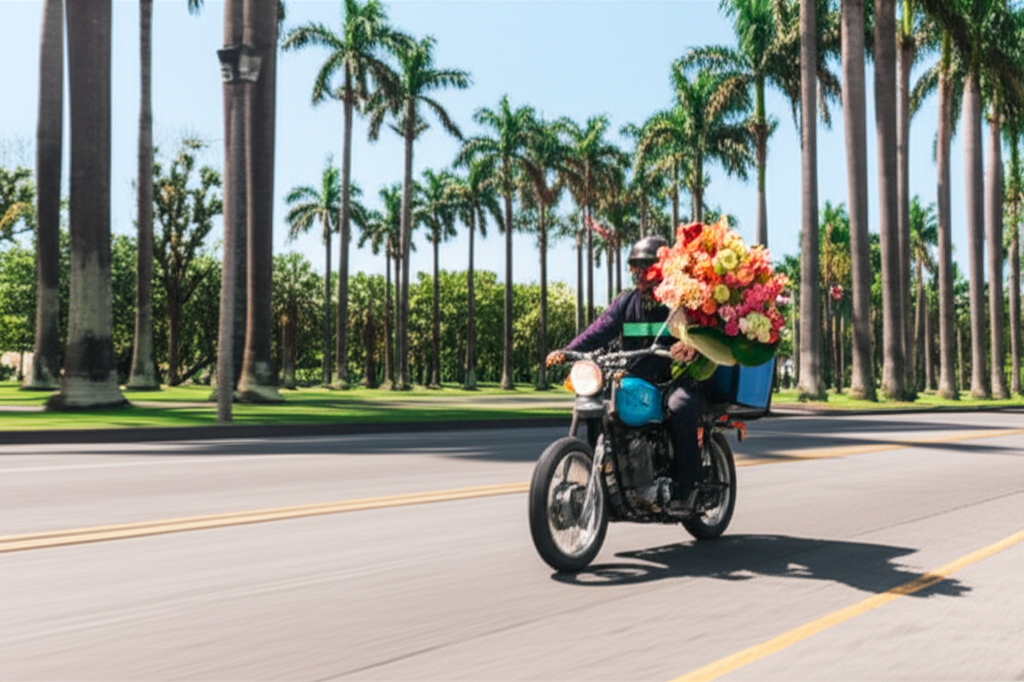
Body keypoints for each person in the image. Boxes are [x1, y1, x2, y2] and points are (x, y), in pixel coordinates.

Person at [546, 235, 703, 513]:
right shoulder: (625, 303)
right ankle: (609, 478)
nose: (640, 275)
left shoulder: (679, 303)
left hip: (672, 380)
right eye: (636, 268)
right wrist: (567, 351)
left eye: (646, 268)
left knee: (680, 407)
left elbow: (699, 334)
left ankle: (684, 488)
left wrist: (688, 346)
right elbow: (599, 329)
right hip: (636, 380)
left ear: (662, 270)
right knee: (600, 405)